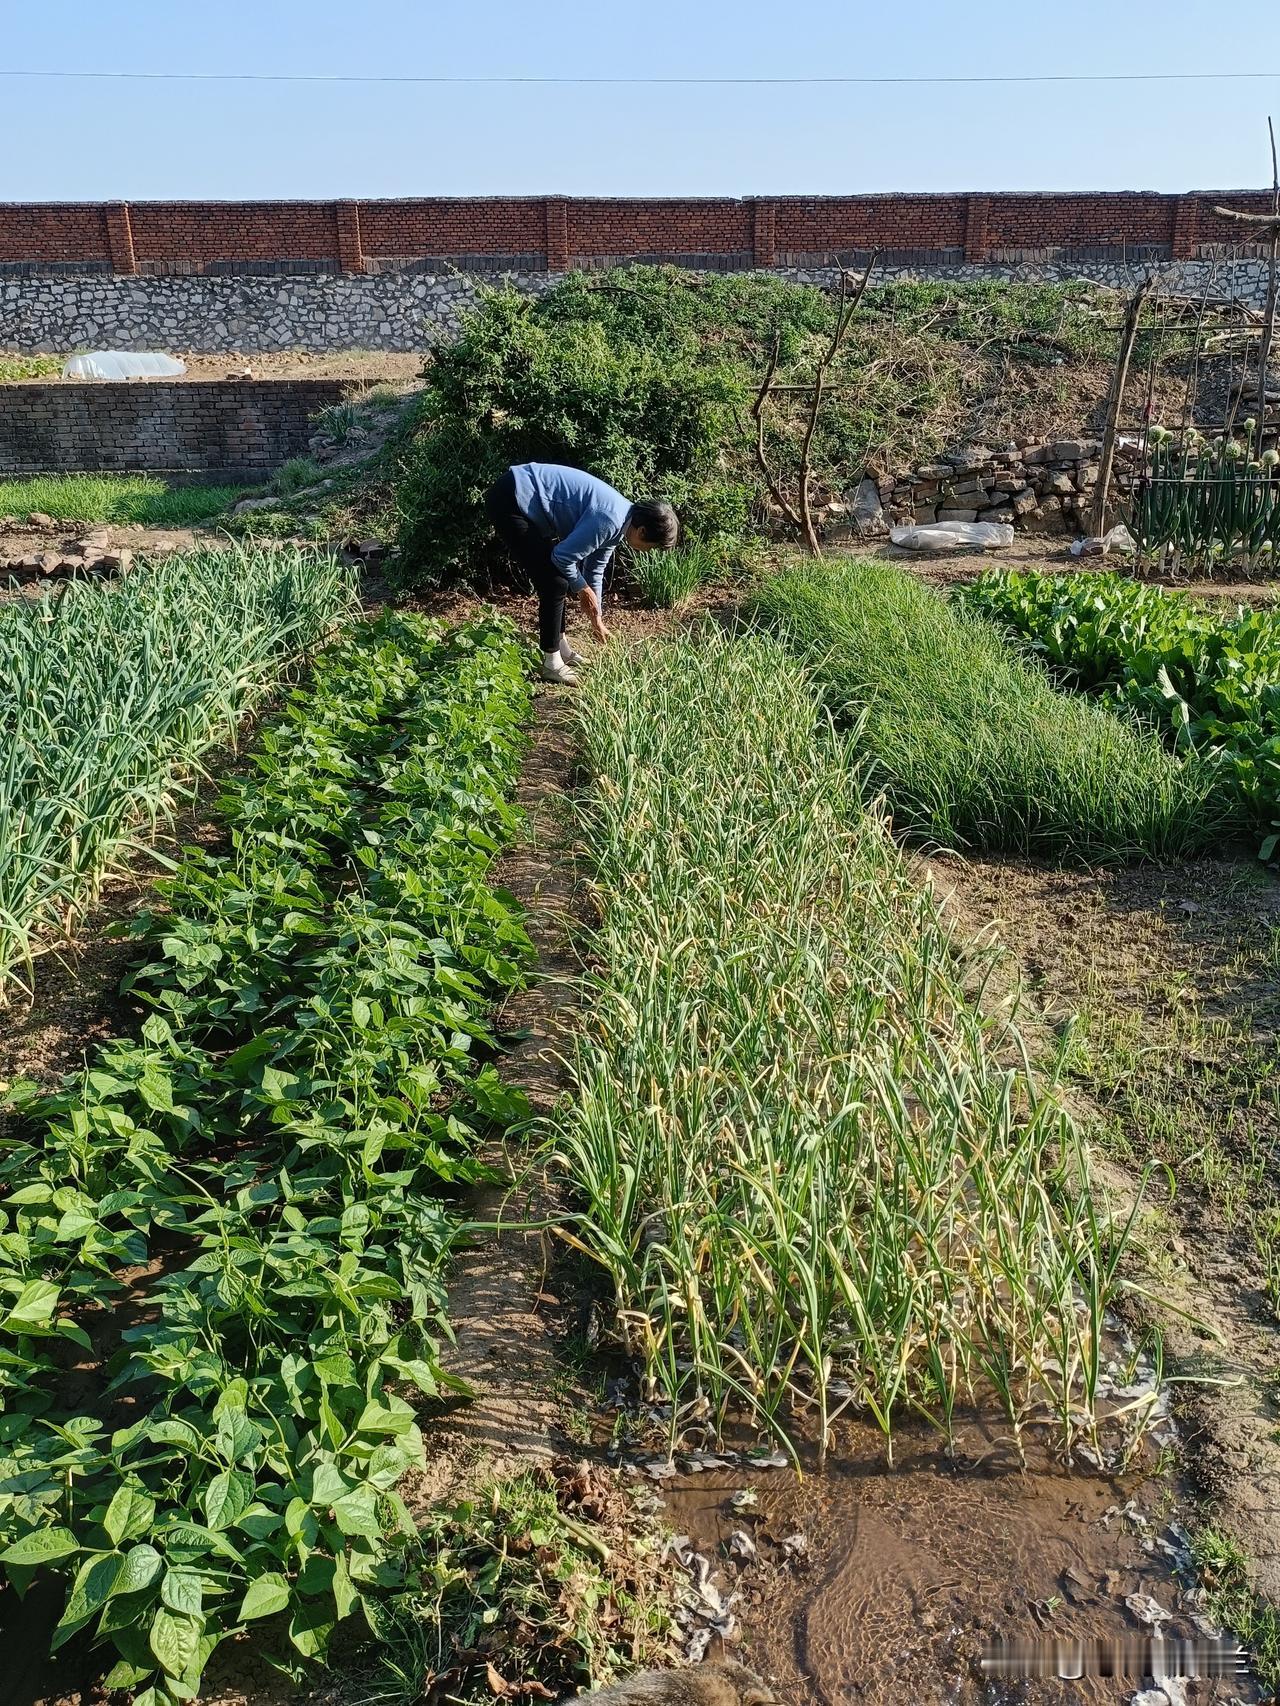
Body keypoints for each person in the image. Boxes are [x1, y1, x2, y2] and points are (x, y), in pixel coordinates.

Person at [483, 461, 679, 683]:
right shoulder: (610, 518)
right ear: (642, 532)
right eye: (651, 547)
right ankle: (551, 663)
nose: (647, 552)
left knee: (560, 578)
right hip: (511, 498)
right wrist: (582, 588)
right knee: (555, 581)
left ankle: (561, 649)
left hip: (521, 496)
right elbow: (562, 557)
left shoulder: (621, 521)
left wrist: (597, 620)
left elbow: (594, 570)